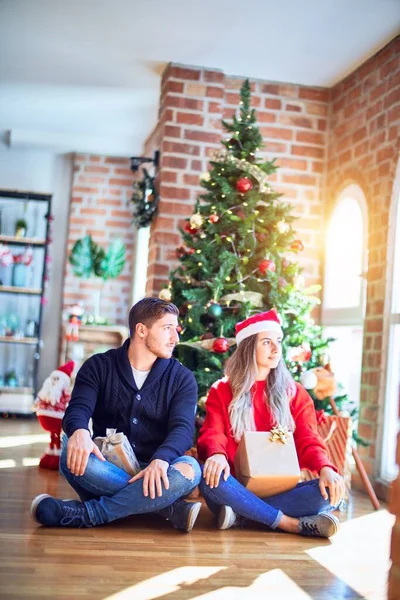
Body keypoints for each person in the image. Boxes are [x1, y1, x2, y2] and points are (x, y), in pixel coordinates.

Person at [30, 297, 202, 532]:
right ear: (141, 330)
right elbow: (78, 408)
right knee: (71, 449)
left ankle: (90, 514)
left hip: (159, 467)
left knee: (190, 468)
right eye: (167, 328)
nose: (176, 337)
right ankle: (168, 507)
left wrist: (161, 460)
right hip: (106, 467)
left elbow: (183, 429)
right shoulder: (99, 366)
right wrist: (80, 432)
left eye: (176, 329)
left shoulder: (181, 378)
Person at [197, 309, 346, 538]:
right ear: (248, 347)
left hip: (280, 488)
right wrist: (217, 454)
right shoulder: (222, 390)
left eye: (278, 341)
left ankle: (242, 514)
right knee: (210, 481)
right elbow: (213, 433)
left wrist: (326, 467)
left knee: (328, 492)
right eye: (267, 342)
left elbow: (308, 438)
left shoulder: (294, 393)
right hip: (236, 485)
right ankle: (288, 523)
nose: (276, 349)